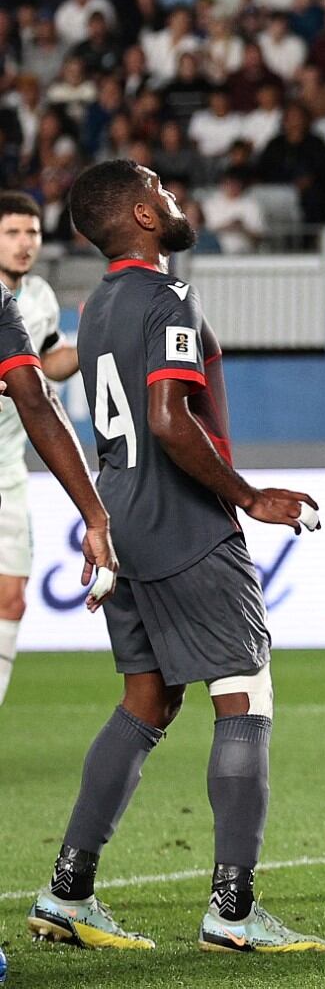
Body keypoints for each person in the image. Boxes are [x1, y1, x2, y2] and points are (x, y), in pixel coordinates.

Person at [31, 160, 325, 954]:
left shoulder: (95, 309)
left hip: (120, 519)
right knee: (245, 692)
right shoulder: (166, 298)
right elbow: (168, 417)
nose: (175, 196)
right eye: (162, 188)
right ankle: (233, 909)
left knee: (147, 702)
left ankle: (68, 891)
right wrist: (247, 495)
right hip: (184, 522)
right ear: (142, 213)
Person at [0, 193, 81, 706]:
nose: (25, 243)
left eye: (32, 232)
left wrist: (94, 339)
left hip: (8, 469)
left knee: (11, 599)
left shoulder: (40, 298)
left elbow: (49, 361)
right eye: (12, 233)